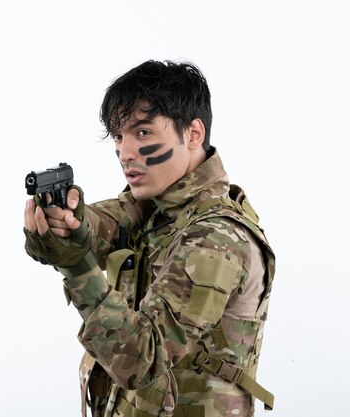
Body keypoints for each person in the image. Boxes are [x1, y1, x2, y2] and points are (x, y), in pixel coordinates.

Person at [24, 60, 276, 417]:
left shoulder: (216, 239)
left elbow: (141, 359)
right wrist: (62, 223)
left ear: (193, 134)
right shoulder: (160, 205)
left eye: (142, 133)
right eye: (118, 135)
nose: (125, 152)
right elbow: (101, 223)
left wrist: (76, 265)